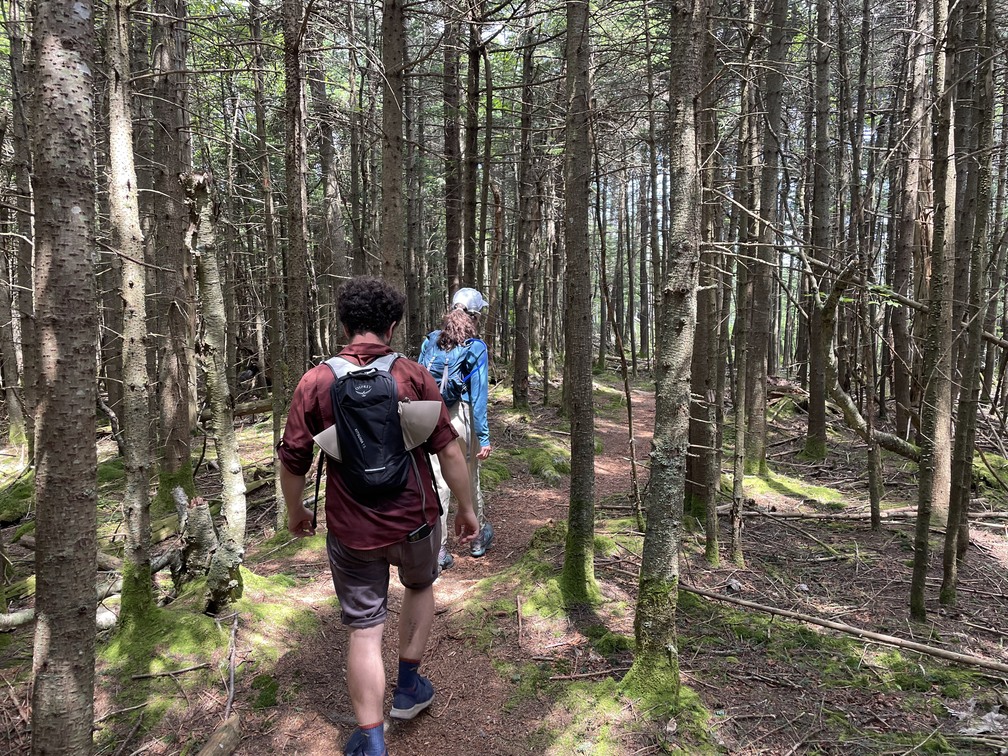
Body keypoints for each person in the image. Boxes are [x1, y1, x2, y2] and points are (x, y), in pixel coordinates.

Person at [278, 276, 478, 756]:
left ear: (345, 324)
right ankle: (408, 689)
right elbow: (448, 451)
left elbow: (291, 460)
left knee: (365, 630)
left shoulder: (317, 381)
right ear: (392, 325)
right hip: (415, 518)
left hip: (352, 528)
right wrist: (467, 508)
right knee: (420, 587)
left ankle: (371, 740)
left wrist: (295, 510)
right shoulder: (411, 374)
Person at [418, 287, 493, 570]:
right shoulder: (475, 347)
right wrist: (483, 436)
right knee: (469, 475)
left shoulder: (431, 341)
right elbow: (478, 397)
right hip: (460, 417)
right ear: (474, 316)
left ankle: (438, 549)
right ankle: (476, 538)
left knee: (437, 482)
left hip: (430, 418)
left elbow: (417, 379)